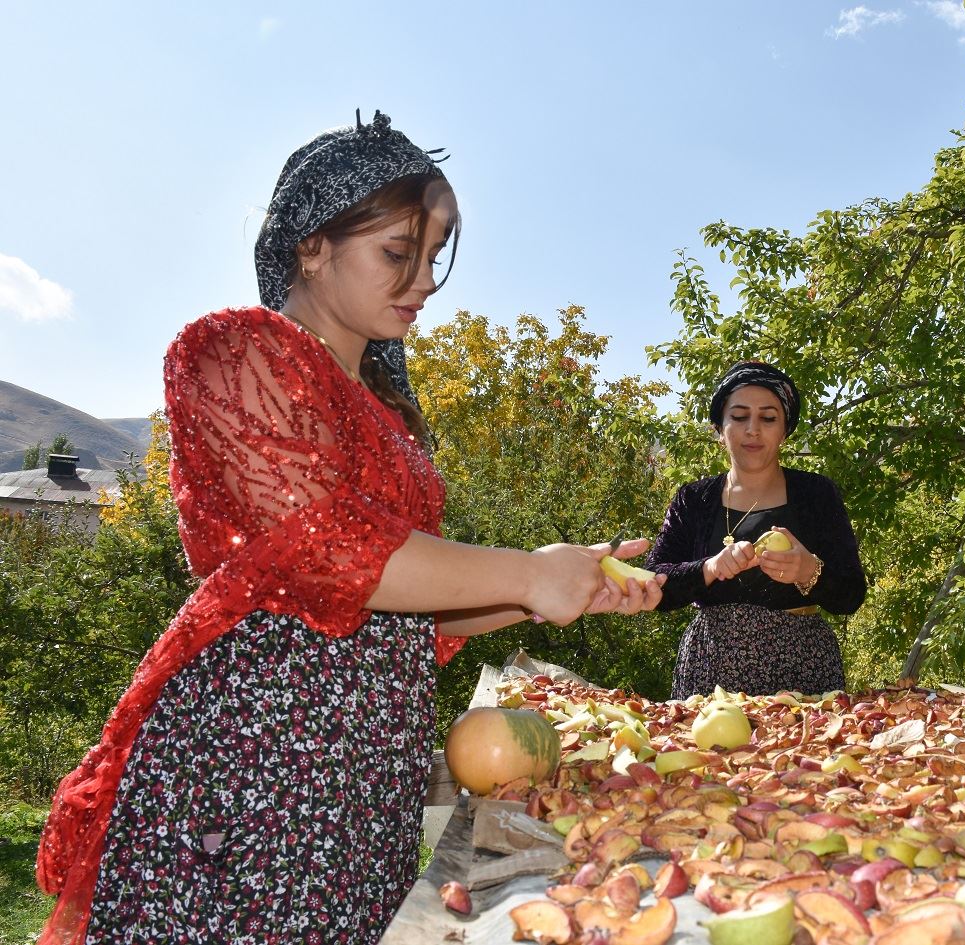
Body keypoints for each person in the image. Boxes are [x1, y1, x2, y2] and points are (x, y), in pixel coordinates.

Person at [34, 110, 663, 945]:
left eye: (434, 257)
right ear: (311, 246)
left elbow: (408, 611)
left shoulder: (391, 411)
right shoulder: (235, 350)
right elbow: (327, 547)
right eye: (399, 254)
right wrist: (524, 571)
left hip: (366, 778)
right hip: (259, 760)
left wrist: (555, 590)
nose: (425, 281)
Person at [645, 361, 866, 698]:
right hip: (711, 668)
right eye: (739, 416)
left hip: (802, 666)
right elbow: (654, 587)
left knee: (807, 749)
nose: (753, 429)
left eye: (768, 418)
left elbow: (851, 594)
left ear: (784, 430)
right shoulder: (694, 499)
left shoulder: (816, 494)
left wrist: (810, 570)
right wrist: (709, 568)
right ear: (720, 428)